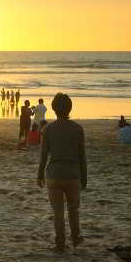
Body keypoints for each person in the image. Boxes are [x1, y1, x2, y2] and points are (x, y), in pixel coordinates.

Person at [37, 93, 87, 252]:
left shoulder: (48, 129)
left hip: (54, 174)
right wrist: (84, 176)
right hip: (73, 174)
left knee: (58, 212)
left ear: (53, 108)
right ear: (70, 108)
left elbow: (43, 155)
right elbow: (82, 156)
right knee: (73, 209)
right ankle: (76, 238)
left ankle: (60, 243)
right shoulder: (78, 128)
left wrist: (39, 174)